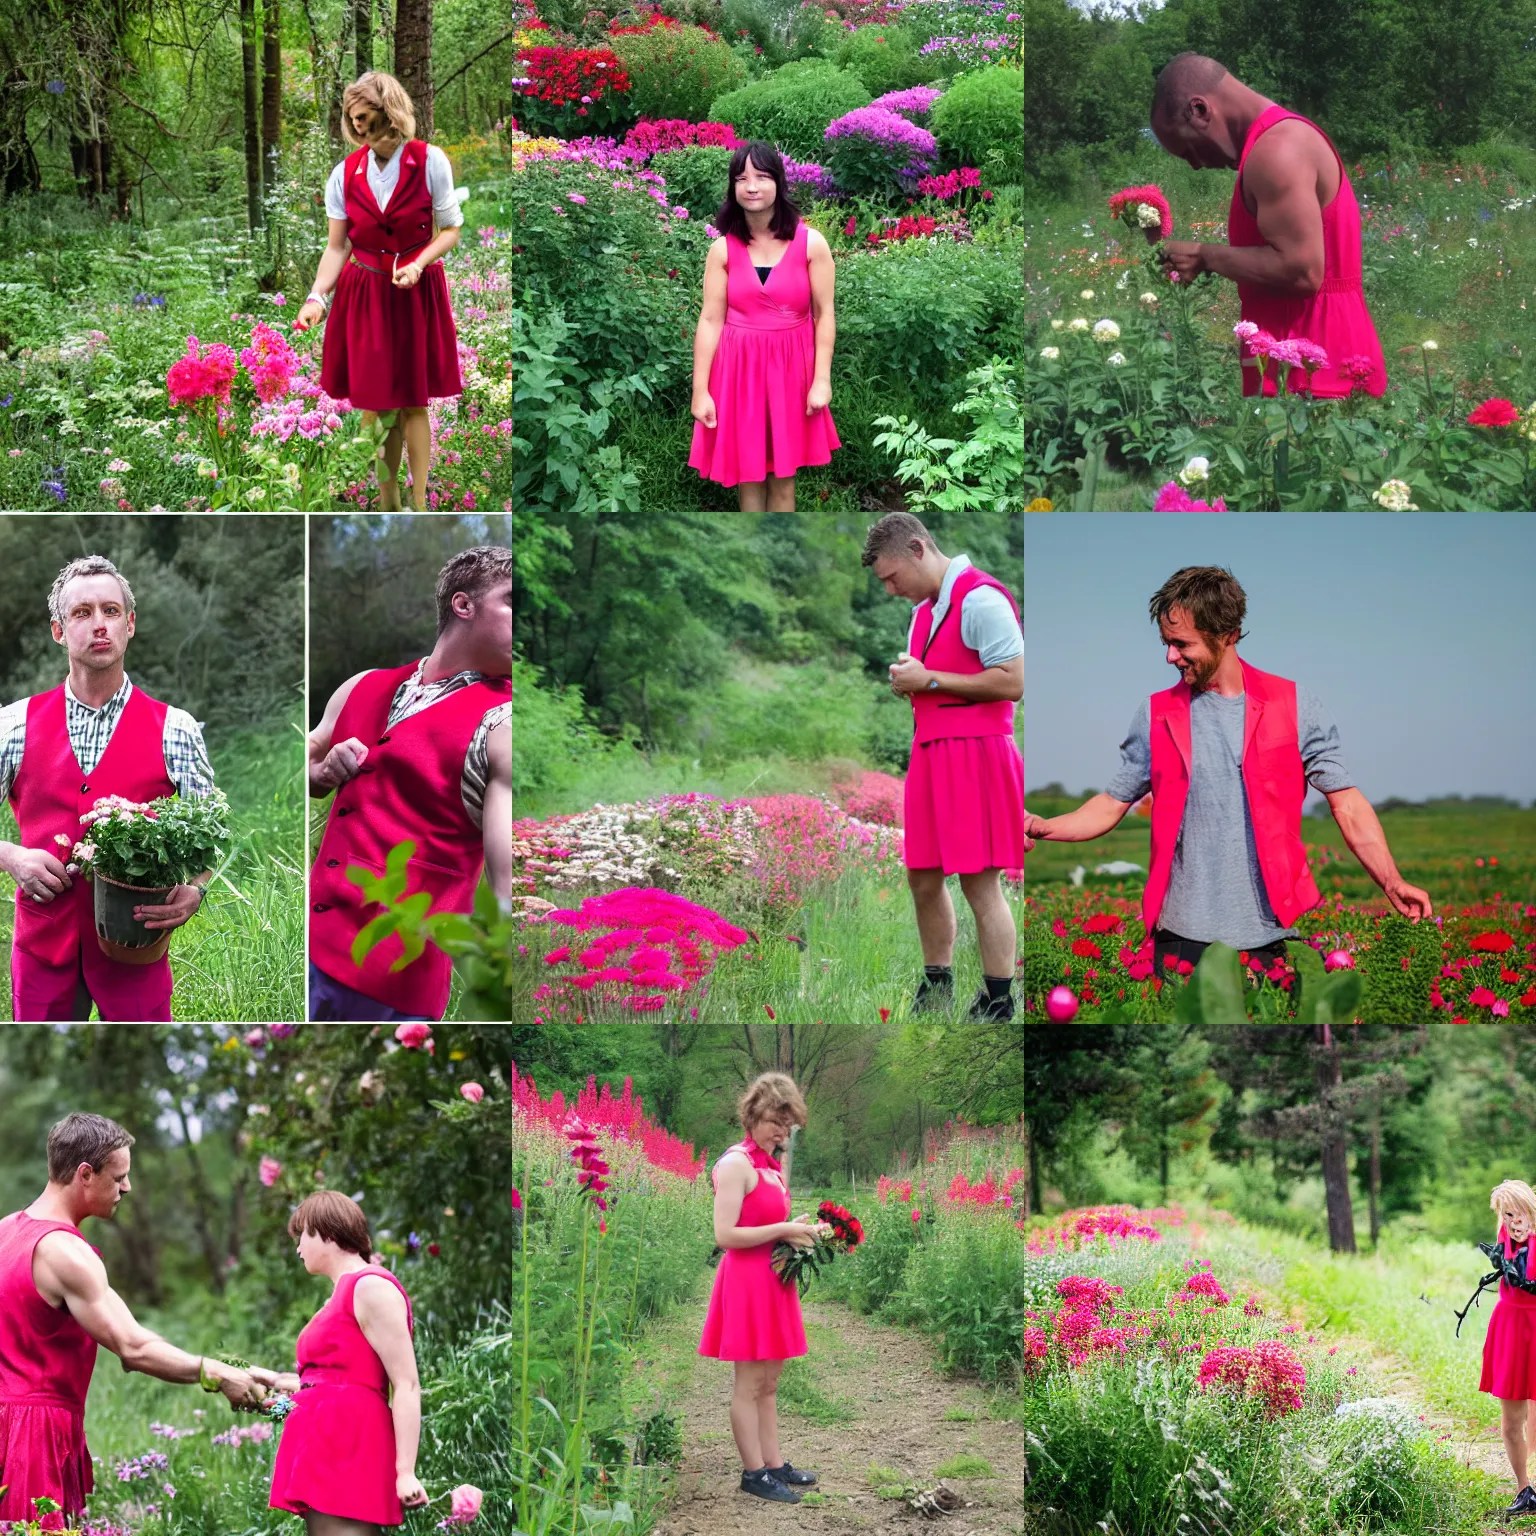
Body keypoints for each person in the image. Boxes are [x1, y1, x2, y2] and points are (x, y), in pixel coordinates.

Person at [1025, 566, 1431, 991]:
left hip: (1273, 935)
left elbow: (1346, 803)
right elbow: (1111, 804)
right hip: (1180, 937)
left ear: (1228, 634)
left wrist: (1392, 879)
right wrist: (1042, 826)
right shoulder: (1155, 714)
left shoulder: (1295, 706)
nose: (1170, 657)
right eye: (1166, 644)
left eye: (1182, 644)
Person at [0, 1113, 266, 1531]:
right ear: (85, 1174)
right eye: (119, 1176)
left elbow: (135, 1337)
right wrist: (212, 1374)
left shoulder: (6, 1232)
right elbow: (133, 1350)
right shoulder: (66, 1253)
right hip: (33, 1439)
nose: (127, 1187)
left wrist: (250, 1373)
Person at [0, 556, 217, 1022]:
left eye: (110, 611)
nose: (99, 625)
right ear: (59, 630)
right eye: (82, 613)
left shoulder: (174, 729)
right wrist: (11, 857)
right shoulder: (13, 725)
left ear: (130, 624)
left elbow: (209, 836)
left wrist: (196, 891)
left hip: (136, 948)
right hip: (42, 951)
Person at [308, 546, 511, 1022]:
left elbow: (508, 888)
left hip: (391, 983)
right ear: (464, 606)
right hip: (310, 946)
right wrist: (321, 773)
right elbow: (309, 762)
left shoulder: (504, 725)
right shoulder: (363, 685)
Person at [1148, 52, 1387, 399]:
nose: (1197, 165)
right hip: (1310, 368)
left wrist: (1204, 255)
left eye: (1189, 151)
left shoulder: (1277, 151)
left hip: (1316, 378)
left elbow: (1301, 271)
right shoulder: (1278, 141)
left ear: (1199, 110)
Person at [863, 514, 1024, 1021]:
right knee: (923, 878)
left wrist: (929, 680)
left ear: (917, 549)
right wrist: (912, 683)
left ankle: (999, 999)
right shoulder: (923, 610)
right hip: (931, 753)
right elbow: (935, 681)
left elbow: (1013, 681)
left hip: (977, 753)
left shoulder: (981, 598)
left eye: (892, 577)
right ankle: (937, 987)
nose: (890, 590)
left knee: (980, 881)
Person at [292, 71, 464, 510]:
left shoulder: (429, 161)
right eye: (352, 119)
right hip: (365, 294)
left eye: (364, 115)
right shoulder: (344, 173)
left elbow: (451, 230)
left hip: (414, 293)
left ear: (389, 111)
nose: (357, 127)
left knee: (412, 404)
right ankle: (388, 503)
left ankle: (420, 502)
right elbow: (338, 247)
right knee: (374, 406)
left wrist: (418, 263)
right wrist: (316, 297)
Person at [254, 1190, 429, 1534]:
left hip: (350, 1449)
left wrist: (405, 1471)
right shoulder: (341, 1294)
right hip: (324, 1448)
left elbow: (406, 1383)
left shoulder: (370, 1288)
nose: (298, 1247)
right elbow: (323, 1386)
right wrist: (266, 1384)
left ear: (328, 1232)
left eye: (302, 1234)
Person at [689, 141, 840, 511]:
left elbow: (824, 314)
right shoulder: (722, 250)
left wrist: (822, 379)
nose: (751, 186)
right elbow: (710, 320)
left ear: (779, 182)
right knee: (748, 478)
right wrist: (700, 390)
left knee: (784, 483)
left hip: (792, 372)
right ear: (732, 188)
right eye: (741, 178)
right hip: (739, 373)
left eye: (761, 177)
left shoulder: (811, 244)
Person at [699, 1072, 822, 1504]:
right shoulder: (735, 1164)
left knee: (769, 1382)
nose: (781, 1130)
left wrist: (796, 1231)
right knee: (748, 1384)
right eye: (775, 1120)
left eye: (787, 1124)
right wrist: (783, 1228)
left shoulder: (769, 1167)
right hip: (748, 1284)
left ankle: (773, 1464)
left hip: (774, 1281)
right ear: (752, 1114)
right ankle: (753, 1474)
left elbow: (764, 1225)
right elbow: (725, 1235)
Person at [1477, 1181, 1536, 1521]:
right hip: (1511, 1328)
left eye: (1520, 1212)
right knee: (1512, 1416)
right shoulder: (1505, 1241)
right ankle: (1524, 1488)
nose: (1514, 1220)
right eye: (1506, 1213)